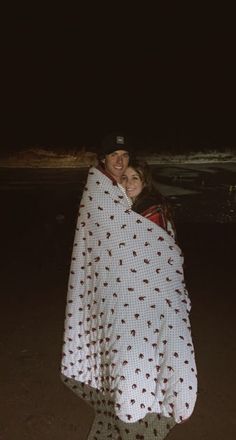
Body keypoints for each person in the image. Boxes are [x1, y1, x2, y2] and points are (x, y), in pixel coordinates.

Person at [61, 134, 198, 439]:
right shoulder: (101, 196)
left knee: (150, 355)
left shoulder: (146, 205)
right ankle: (125, 409)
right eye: (115, 157)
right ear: (103, 160)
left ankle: (146, 408)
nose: (121, 163)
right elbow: (99, 249)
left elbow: (161, 251)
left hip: (149, 300)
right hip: (117, 298)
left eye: (126, 158)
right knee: (123, 360)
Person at [121, 159, 176, 239]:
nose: (129, 183)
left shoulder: (151, 207)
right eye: (124, 177)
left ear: (145, 182)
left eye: (135, 178)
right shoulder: (130, 201)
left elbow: (156, 241)